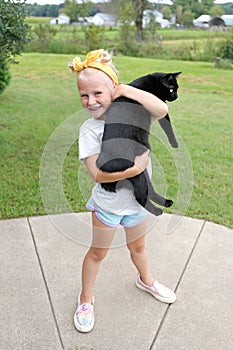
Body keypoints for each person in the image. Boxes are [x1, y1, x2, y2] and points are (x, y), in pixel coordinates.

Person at [69, 49, 176, 333]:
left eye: (98, 93)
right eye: (84, 95)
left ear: (113, 90)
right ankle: (86, 299)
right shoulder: (89, 129)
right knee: (97, 254)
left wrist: (127, 90)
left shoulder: (135, 113)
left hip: (136, 206)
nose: (91, 101)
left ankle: (146, 280)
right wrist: (135, 168)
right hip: (107, 206)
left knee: (138, 247)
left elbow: (162, 110)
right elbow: (97, 174)